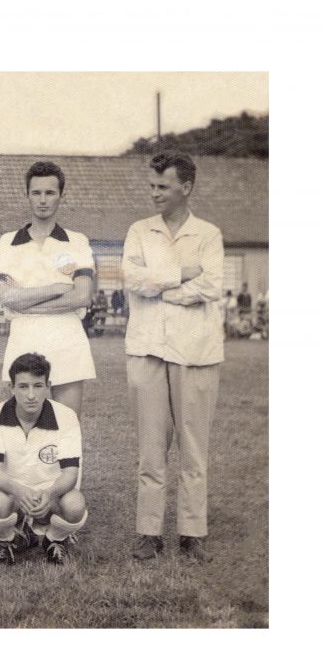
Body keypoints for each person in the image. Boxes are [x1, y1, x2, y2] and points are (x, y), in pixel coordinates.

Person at [122, 151, 223, 563]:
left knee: (193, 447)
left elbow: (212, 284)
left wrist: (160, 286)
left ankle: (191, 532)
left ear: (186, 187)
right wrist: (180, 275)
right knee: (150, 447)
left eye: (163, 186)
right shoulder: (138, 231)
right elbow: (131, 278)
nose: (155, 193)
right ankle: (148, 532)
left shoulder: (209, 234)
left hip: (196, 352)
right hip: (146, 347)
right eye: (152, 186)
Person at [0, 161, 96, 416]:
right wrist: (56, 287)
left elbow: (83, 295)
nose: (43, 200)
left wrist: (25, 302)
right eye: (36, 192)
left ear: (61, 195)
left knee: (67, 424)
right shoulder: (8, 242)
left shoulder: (77, 240)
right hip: (24, 336)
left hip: (67, 336)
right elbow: (5, 297)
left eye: (50, 193)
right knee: (23, 425)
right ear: (26, 194)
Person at [0, 353, 88, 565]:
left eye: (38, 386)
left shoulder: (65, 416)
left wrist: (49, 493)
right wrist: (19, 491)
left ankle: (54, 540)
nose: (31, 395)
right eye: (23, 386)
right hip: (12, 491)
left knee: (75, 504)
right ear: (11, 387)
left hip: (50, 492)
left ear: (48, 386)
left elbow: (70, 473)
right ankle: (7, 540)